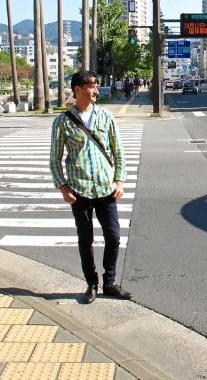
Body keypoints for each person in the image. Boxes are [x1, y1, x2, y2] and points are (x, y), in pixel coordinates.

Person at [50, 70, 131, 304]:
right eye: (91, 86)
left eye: (96, 85)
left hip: (106, 189)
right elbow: (55, 159)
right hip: (80, 191)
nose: (96, 90)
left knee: (113, 237)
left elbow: (118, 151)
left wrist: (120, 181)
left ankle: (110, 283)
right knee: (85, 239)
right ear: (78, 90)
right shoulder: (62, 122)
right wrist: (63, 188)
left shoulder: (106, 116)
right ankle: (91, 284)